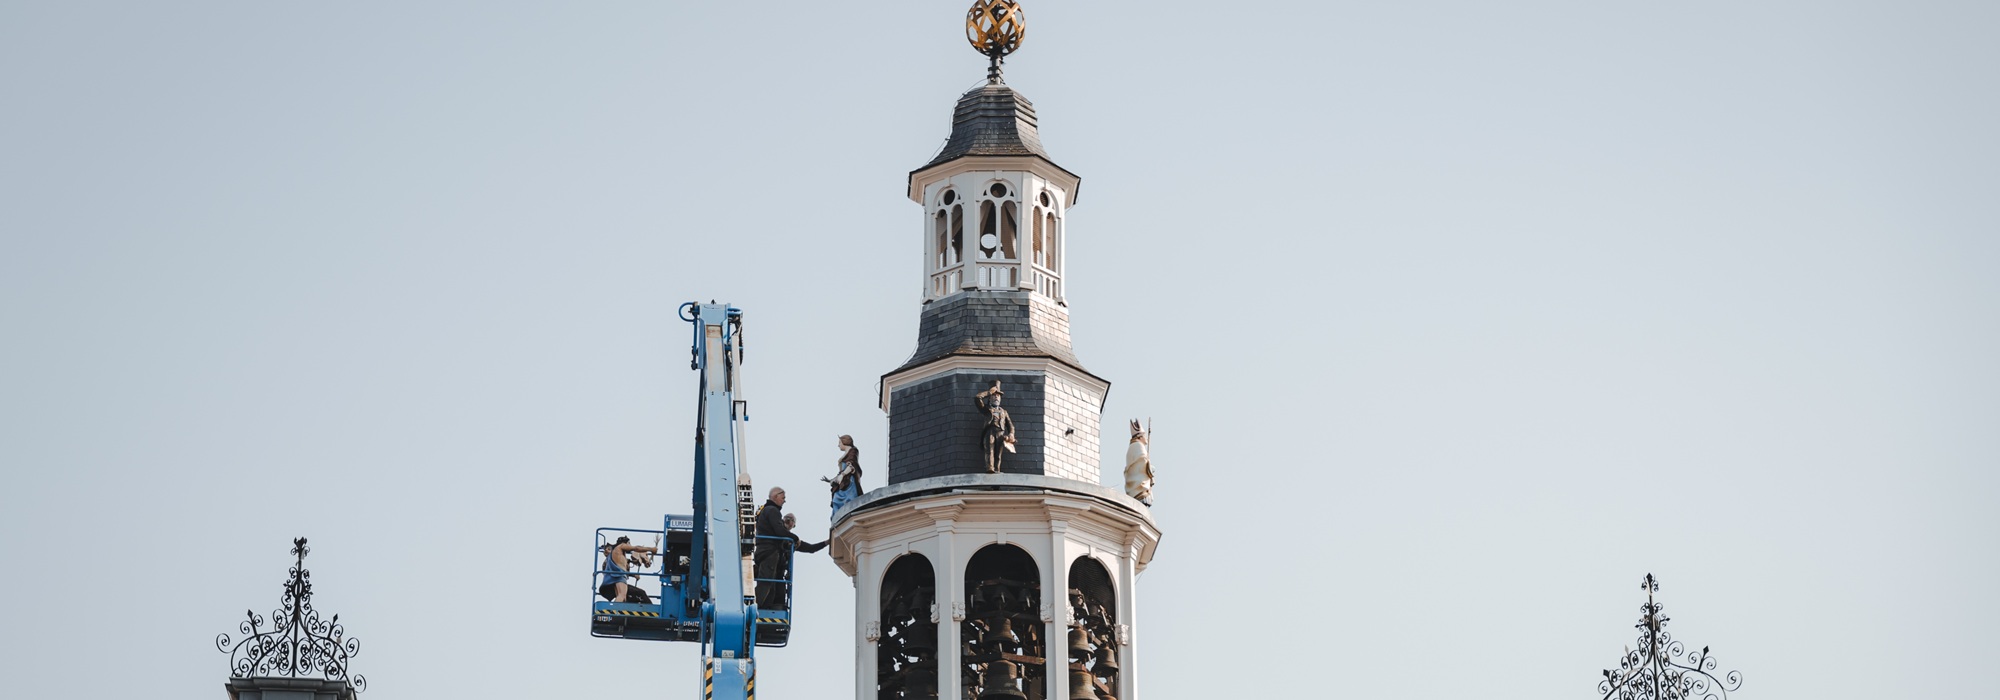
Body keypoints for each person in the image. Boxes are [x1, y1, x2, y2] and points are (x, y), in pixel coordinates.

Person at [753, 487, 825, 610]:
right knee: (766, 583)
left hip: (775, 568)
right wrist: (795, 538)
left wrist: (827, 542)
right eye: (783, 497)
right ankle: (755, 607)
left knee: (774, 589)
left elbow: (810, 548)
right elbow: (780, 531)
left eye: (792, 520)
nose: (784, 501)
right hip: (768, 554)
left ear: (794, 525)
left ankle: (769, 608)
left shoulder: (788, 542)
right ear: (776, 496)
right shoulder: (772, 512)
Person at [598, 536, 659, 603]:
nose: (630, 546)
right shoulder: (621, 546)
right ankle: (614, 611)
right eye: (629, 544)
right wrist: (651, 549)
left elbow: (621, 565)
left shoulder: (617, 553)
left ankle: (617, 610)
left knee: (622, 596)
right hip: (618, 577)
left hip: (616, 577)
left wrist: (633, 574)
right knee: (621, 595)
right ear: (627, 543)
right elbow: (636, 548)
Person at [974, 380, 1016, 473]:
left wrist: (1011, 434)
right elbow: (977, 398)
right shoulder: (987, 409)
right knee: (990, 449)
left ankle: (997, 469)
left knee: (998, 454)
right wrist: (989, 392)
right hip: (990, 431)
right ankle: (990, 468)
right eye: (994, 395)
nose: (996, 397)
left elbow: (1010, 425)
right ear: (990, 398)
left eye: (998, 395)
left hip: (1000, 433)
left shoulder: (1004, 412)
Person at [823, 435, 864, 518]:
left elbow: (852, 465)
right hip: (842, 482)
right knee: (836, 500)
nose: (838, 445)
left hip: (849, 482)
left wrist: (843, 475)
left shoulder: (853, 451)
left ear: (845, 442)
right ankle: (838, 520)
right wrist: (831, 480)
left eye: (839, 443)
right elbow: (840, 472)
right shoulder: (846, 454)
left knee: (850, 500)